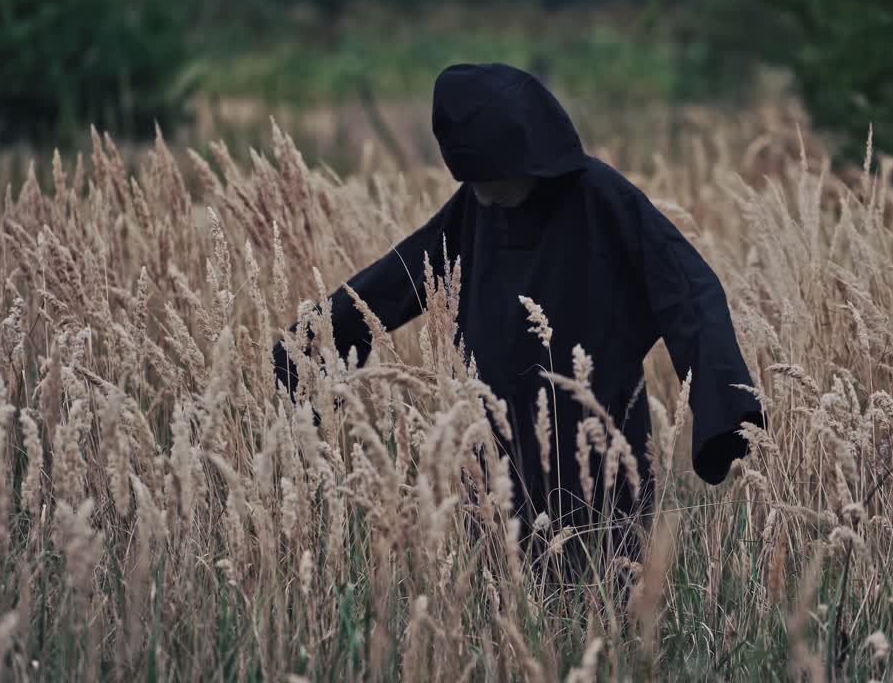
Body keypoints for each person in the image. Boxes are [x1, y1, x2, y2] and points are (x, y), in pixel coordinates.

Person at [273, 62, 765, 572]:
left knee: (607, 581)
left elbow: (690, 290)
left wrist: (724, 415)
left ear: (529, 158)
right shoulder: (475, 208)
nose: (483, 193)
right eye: (473, 181)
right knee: (506, 584)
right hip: (496, 437)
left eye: (492, 180)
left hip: (597, 431)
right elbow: (401, 276)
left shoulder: (601, 198)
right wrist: (311, 343)